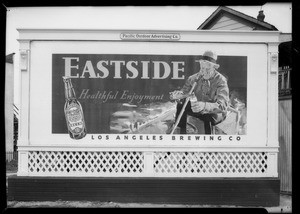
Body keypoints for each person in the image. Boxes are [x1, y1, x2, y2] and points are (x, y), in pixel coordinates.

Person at [170, 50, 230, 134]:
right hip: (199, 109)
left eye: (207, 69)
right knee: (181, 104)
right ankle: (181, 131)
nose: (204, 71)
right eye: (202, 68)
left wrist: (204, 106)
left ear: (214, 68)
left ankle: (209, 140)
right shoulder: (193, 78)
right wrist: (177, 96)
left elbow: (222, 106)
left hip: (216, 113)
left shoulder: (221, 81)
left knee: (207, 116)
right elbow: (185, 92)